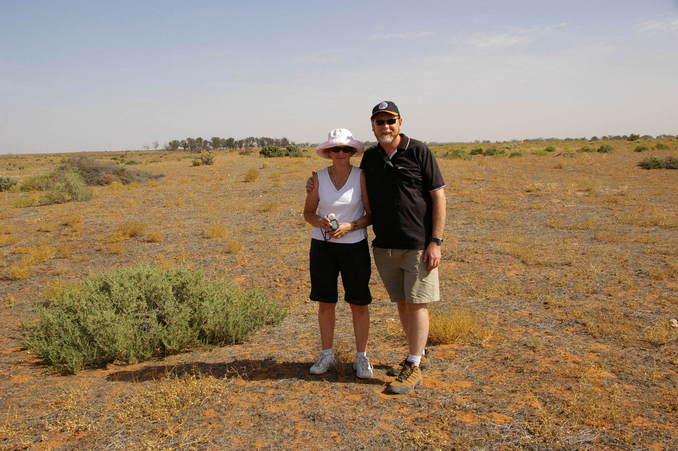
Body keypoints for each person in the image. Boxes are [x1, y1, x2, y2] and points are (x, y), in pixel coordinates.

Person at [307, 102, 446, 394]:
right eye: (379, 121)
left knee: (416, 301)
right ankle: (416, 354)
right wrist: (319, 208)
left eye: (390, 120)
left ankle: (412, 362)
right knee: (402, 302)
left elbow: (438, 197)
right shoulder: (370, 159)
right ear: (372, 126)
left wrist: (436, 241)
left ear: (399, 122)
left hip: (417, 242)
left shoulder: (418, 151)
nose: (385, 126)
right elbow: (326, 206)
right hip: (384, 246)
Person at [303, 128, 374, 379]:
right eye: (336, 149)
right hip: (323, 247)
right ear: (329, 152)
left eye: (346, 149)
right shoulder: (318, 178)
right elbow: (308, 213)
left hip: (354, 246)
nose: (341, 153)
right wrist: (318, 222)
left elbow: (370, 214)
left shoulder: (361, 176)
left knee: (359, 303)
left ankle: (362, 357)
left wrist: (350, 226)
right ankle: (327, 354)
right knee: (326, 302)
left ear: (353, 152)